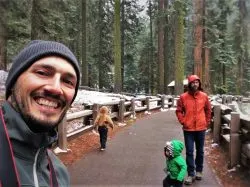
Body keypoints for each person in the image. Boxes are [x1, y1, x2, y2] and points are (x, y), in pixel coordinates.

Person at [0, 40, 80, 187]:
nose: (56, 88)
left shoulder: (59, 173)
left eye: (68, 82)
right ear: (13, 82)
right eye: (42, 73)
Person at [176, 74, 211, 185]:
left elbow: (208, 110)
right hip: (188, 129)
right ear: (189, 84)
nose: (195, 84)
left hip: (201, 128)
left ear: (199, 84)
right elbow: (178, 111)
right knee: (190, 152)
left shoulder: (204, 96)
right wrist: (183, 121)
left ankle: (199, 171)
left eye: (197, 82)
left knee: (200, 151)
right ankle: (191, 174)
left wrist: (207, 121)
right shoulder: (183, 97)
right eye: (193, 82)